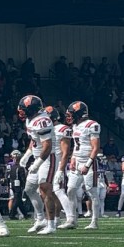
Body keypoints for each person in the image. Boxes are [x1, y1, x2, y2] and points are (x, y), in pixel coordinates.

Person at [18, 95, 57, 235]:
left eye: (23, 109)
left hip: (47, 158)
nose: (21, 112)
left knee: (45, 189)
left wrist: (37, 164)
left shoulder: (42, 121)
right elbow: (34, 139)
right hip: (37, 157)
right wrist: (27, 154)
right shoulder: (30, 120)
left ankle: (51, 224)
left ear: (31, 109)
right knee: (29, 189)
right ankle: (40, 219)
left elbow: (47, 146)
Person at [62, 101, 101, 230]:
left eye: (71, 114)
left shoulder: (92, 125)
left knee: (92, 192)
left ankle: (94, 221)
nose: (69, 117)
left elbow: (95, 148)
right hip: (77, 160)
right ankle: (72, 220)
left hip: (88, 162)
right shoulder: (75, 126)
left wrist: (88, 164)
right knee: (70, 189)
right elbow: (76, 145)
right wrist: (73, 158)